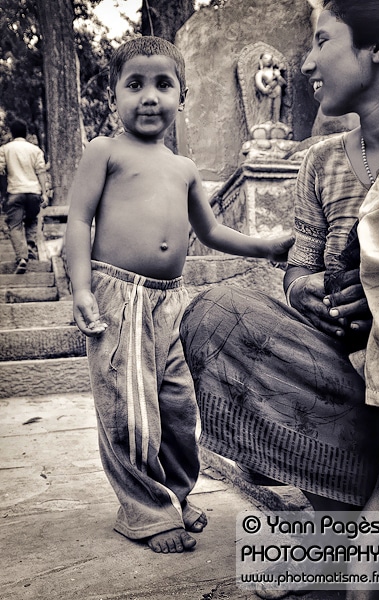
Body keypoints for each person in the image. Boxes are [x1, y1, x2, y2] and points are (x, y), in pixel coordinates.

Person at [180, 1, 379, 597]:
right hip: (347, 365)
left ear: (378, 48)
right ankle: (339, 536)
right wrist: (315, 294)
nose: (305, 63)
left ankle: (360, 544)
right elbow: (300, 268)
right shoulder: (322, 161)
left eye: (323, 41)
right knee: (218, 313)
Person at [64, 35, 293, 555]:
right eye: (135, 84)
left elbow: (210, 233)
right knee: (129, 408)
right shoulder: (104, 152)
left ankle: (173, 494)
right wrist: (80, 288)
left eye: (163, 84)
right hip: (118, 294)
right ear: (114, 98)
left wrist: (266, 245)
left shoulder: (184, 168)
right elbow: (79, 220)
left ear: (182, 97)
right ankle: (142, 510)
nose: (149, 96)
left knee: (177, 406)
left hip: (172, 299)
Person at [0, 119, 49, 273]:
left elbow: (1, 171)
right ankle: (29, 247)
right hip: (33, 192)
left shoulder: (4, 149)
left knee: (14, 225)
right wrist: (45, 193)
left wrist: (3, 193)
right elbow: (41, 172)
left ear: (12, 133)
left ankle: (22, 257)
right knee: (32, 221)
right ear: (26, 133)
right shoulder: (35, 150)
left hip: (14, 192)